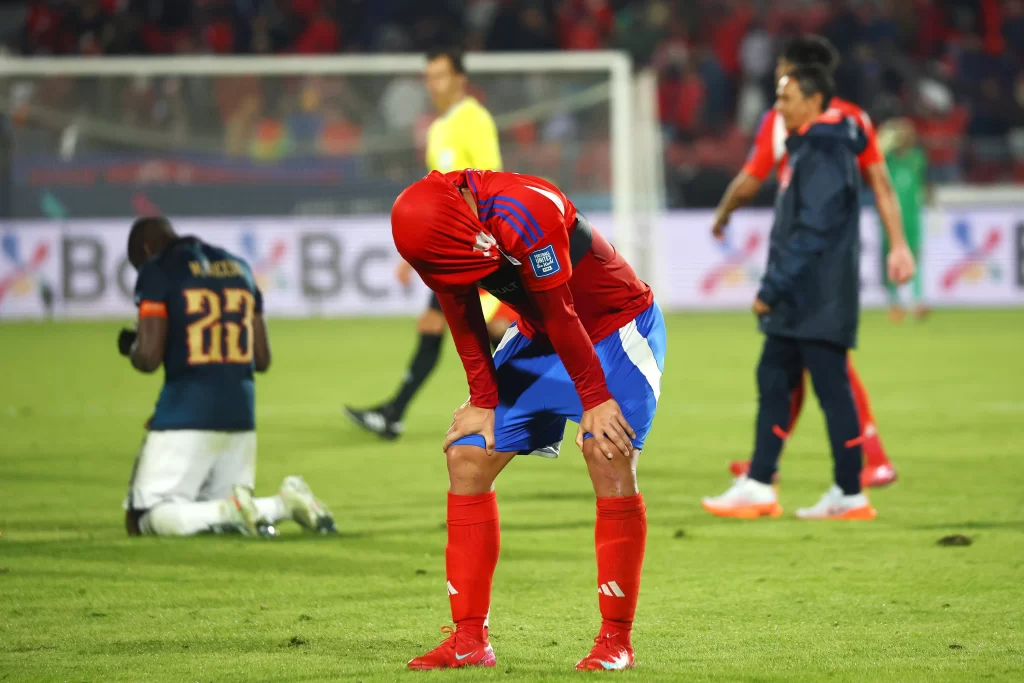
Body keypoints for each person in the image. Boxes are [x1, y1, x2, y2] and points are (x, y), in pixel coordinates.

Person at [392, 169, 664, 671]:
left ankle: (615, 641)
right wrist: (481, 396)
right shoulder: (434, 236)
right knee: (469, 451)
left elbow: (564, 311)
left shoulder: (524, 209)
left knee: (605, 449)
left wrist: (596, 397)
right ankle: (470, 640)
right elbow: (461, 310)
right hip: (541, 333)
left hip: (615, 328)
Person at [711, 35, 909, 489]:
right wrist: (897, 244)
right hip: (838, 250)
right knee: (795, 359)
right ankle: (766, 463)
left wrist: (722, 216)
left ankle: (861, 463)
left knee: (818, 361)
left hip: (804, 249)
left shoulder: (785, 118)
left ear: (795, 75)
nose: (780, 96)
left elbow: (748, 180)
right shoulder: (854, 118)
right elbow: (880, 182)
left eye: (784, 81)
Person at [119, 217, 335, 537]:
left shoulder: (158, 269)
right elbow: (262, 359)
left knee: (143, 518)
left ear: (146, 249)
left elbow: (149, 357)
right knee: (215, 512)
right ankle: (283, 504)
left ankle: (239, 510)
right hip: (241, 418)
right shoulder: (239, 268)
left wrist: (131, 347)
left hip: (185, 413)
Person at [344, 48, 515, 440]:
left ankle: (559, 377)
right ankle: (395, 412)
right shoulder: (438, 127)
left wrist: (481, 239)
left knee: (470, 325)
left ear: (460, 78)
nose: (432, 83)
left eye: (440, 75)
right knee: (449, 325)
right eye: (429, 76)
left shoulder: (474, 119)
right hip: (447, 244)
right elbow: (435, 195)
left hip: (469, 245)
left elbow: (489, 181)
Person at [879, 118, 929, 321]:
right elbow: (874, 158)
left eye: (907, 134)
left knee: (914, 258)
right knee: (892, 260)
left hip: (912, 218)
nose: (904, 138)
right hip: (889, 218)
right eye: (901, 134)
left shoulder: (916, 158)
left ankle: (917, 302)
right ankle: (895, 304)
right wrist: (885, 138)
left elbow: (922, 180)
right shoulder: (887, 160)